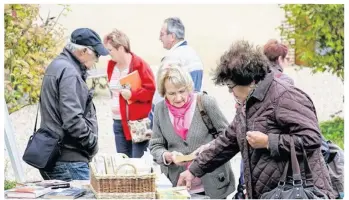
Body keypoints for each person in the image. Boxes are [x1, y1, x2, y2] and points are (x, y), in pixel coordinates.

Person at [177, 40, 335, 199]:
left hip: (299, 193)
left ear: (249, 80)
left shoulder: (285, 96)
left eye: (231, 86)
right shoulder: (249, 102)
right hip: (270, 194)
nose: (230, 92)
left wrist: (269, 142)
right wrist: (194, 170)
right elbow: (228, 141)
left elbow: (312, 139)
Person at [149, 64, 235, 199]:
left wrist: (208, 148)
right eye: (171, 93)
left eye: (182, 91)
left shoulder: (206, 102)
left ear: (189, 87)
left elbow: (228, 136)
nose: (178, 98)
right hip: (179, 186)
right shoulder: (160, 110)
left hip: (212, 182)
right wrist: (167, 156)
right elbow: (155, 145)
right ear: (163, 92)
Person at [39, 28, 109, 181]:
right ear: (84, 51)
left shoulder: (57, 65)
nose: (96, 61)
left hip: (57, 156)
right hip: (69, 160)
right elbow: (72, 120)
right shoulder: (70, 72)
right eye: (96, 55)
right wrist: (92, 144)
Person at [104, 29, 156, 158]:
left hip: (137, 123)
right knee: (123, 162)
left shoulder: (140, 64)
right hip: (117, 121)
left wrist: (133, 94)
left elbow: (150, 90)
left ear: (121, 48)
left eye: (110, 50)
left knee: (138, 162)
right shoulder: (111, 66)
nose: (108, 53)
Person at [150, 17, 204, 128]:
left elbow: (162, 92)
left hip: (175, 117)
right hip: (191, 114)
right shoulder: (192, 54)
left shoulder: (173, 57)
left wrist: (153, 116)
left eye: (162, 34)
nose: (160, 38)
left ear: (172, 36)